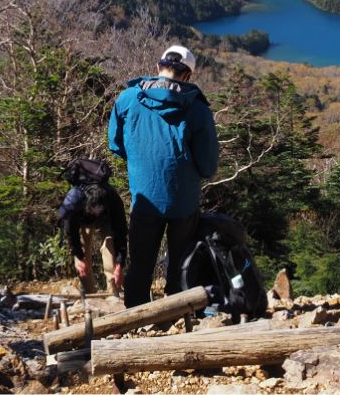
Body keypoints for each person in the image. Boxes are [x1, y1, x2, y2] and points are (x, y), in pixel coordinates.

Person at [108, 44, 219, 307]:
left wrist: (140, 161)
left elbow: (115, 144)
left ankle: (136, 318)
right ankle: (179, 316)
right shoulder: (198, 110)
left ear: (158, 67)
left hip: (144, 195)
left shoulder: (127, 99)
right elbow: (208, 165)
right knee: (181, 265)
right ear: (187, 76)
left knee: (141, 264)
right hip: (184, 201)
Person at [57, 161, 128, 296]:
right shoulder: (74, 201)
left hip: (107, 218)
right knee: (83, 251)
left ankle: (114, 291)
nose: (96, 214)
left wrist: (120, 264)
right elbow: (70, 232)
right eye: (94, 212)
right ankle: (90, 294)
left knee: (110, 244)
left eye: (98, 212)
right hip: (82, 218)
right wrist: (78, 255)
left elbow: (121, 231)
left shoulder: (113, 199)